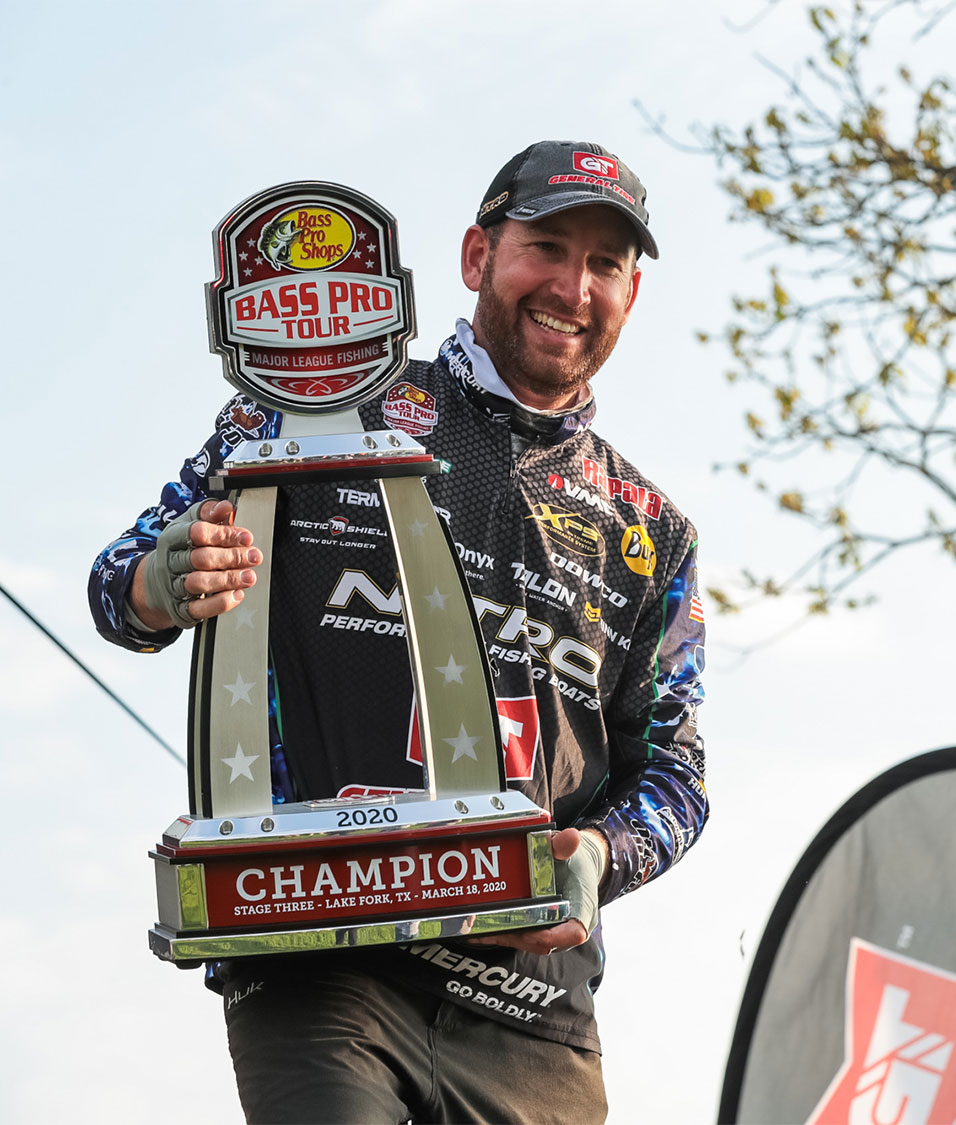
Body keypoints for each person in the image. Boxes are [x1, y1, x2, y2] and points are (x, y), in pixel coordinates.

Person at [88, 140, 708, 1123]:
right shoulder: (315, 403)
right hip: (315, 954)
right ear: (476, 258)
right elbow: (117, 588)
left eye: (606, 264)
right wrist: (167, 575)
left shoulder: (650, 531)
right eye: (547, 246)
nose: (573, 285)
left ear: (632, 294)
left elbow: (676, 778)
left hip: (532, 1011)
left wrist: (595, 859)